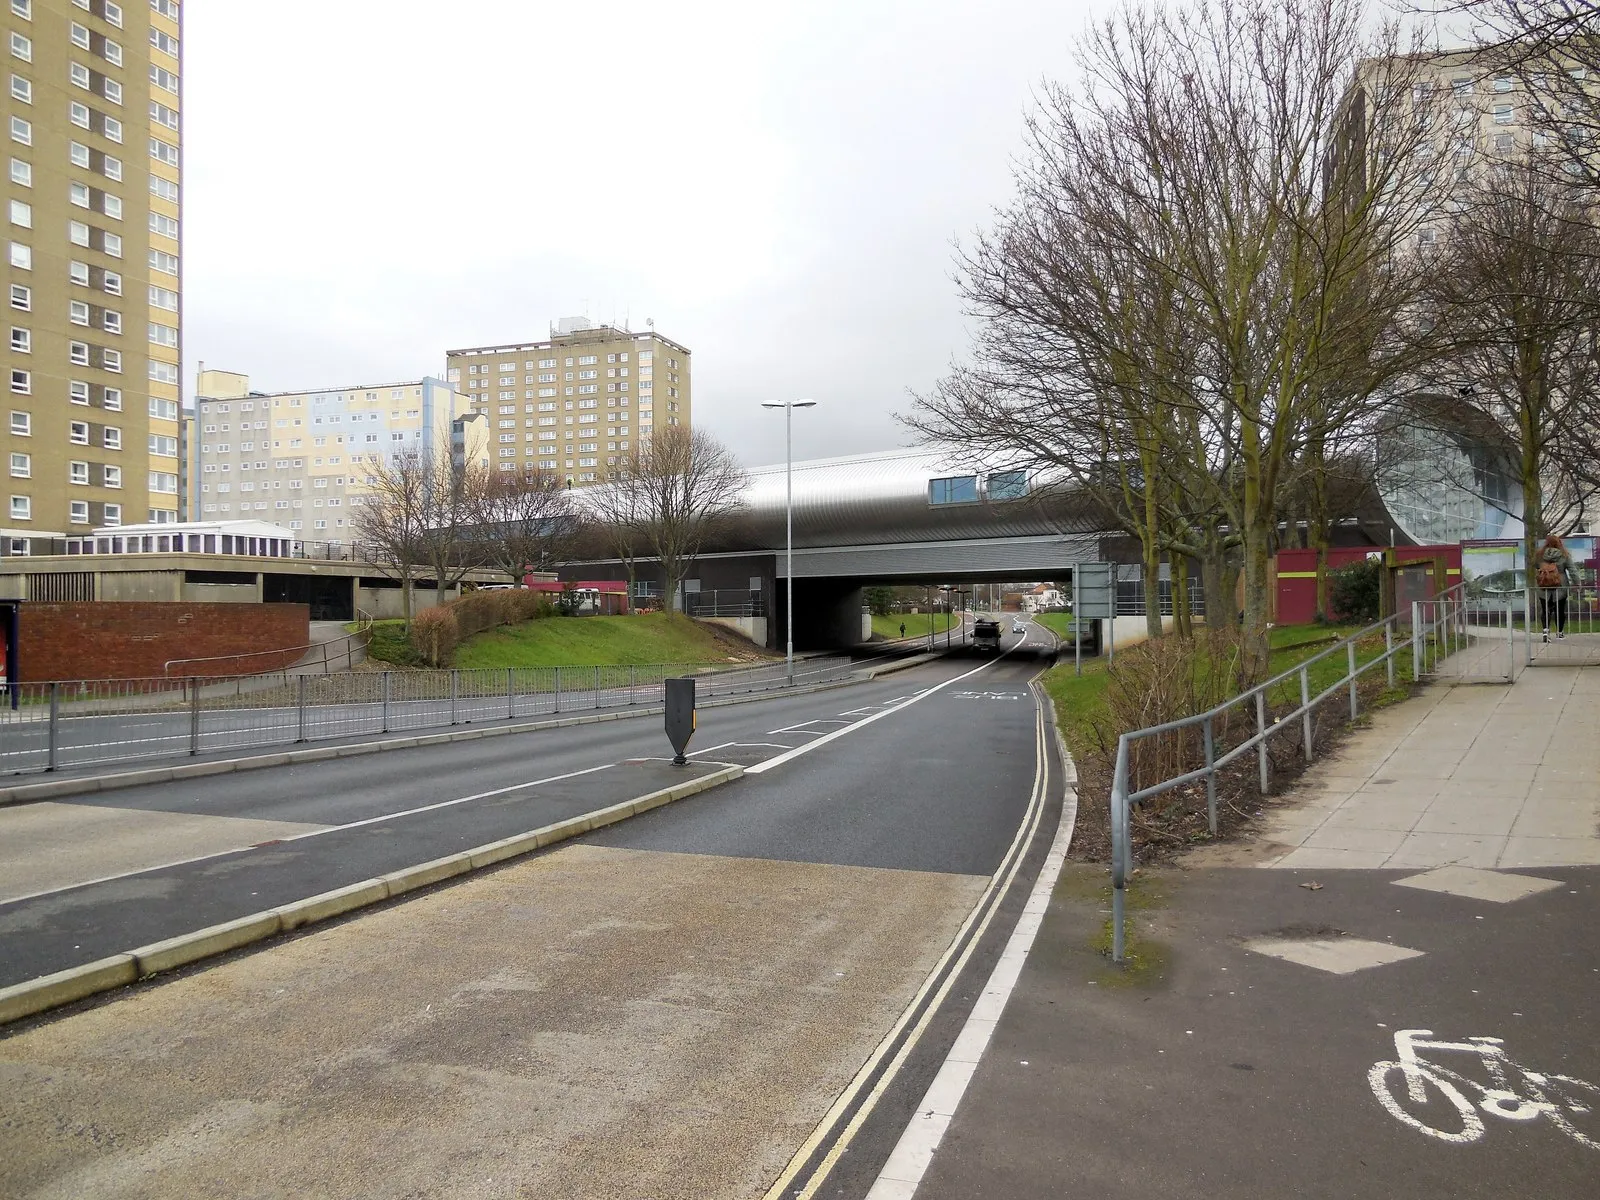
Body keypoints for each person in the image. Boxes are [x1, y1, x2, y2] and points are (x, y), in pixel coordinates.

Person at [1534, 533, 1575, 642]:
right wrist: (1577, 583)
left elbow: (1536, 566)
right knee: (1560, 610)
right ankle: (1560, 633)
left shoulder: (1539, 555)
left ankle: (1545, 631)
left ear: (1546, 543)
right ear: (1559, 543)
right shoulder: (1564, 555)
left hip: (1543, 584)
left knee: (1545, 609)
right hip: (1560, 585)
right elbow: (1572, 570)